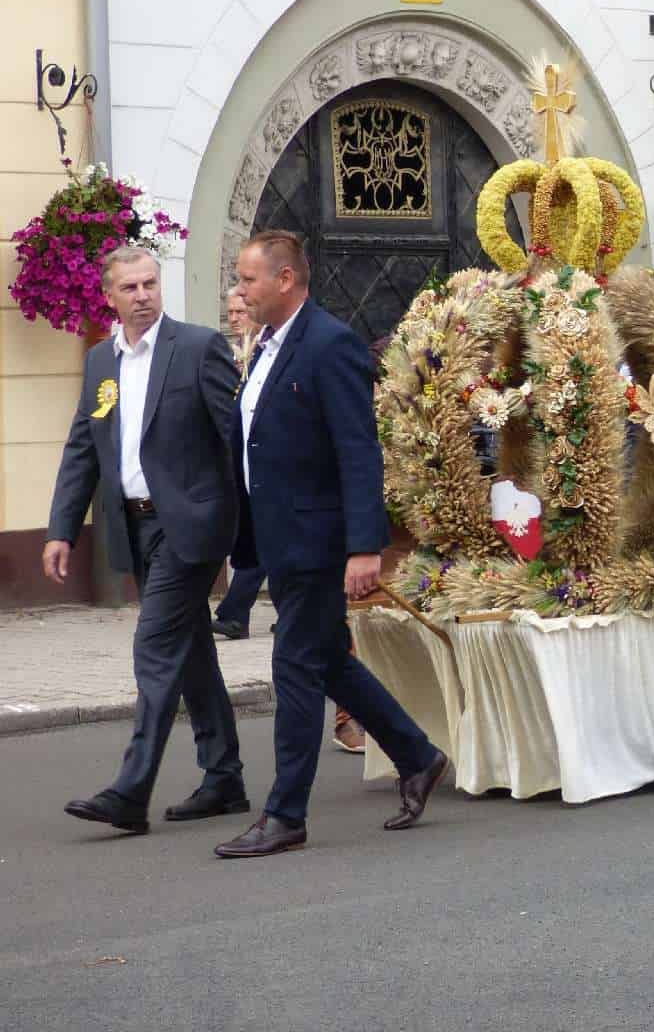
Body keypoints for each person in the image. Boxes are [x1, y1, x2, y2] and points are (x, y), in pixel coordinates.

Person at [214, 232, 449, 858]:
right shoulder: (265, 345)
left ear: (286, 279)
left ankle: (285, 814)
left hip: (318, 540)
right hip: (280, 536)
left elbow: (358, 450)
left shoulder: (329, 344)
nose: (240, 290)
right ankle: (418, 756)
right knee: (327, 659)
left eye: (249, 279)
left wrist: (365, 547)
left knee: (294, 666)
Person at [44, 245, 249, 836]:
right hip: (135, 526)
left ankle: (131, 791)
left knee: (155, 646)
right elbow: (83, 449)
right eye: (130, 288)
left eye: (149, 284)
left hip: (190, 526)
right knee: (191, 650)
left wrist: (245, 517)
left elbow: (235, 435)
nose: (142, 296)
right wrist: (61, 531)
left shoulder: (197, 347)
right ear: (109, 296)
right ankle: (224, 777)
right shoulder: (100, 362)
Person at [211, 291, 263, 643]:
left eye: (240, 311)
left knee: (263, 540)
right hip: (238, 457)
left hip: (265, 458)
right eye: (229, 312)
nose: (233, 318)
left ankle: (233, 614)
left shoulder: (265, 351)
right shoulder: (230, 353)